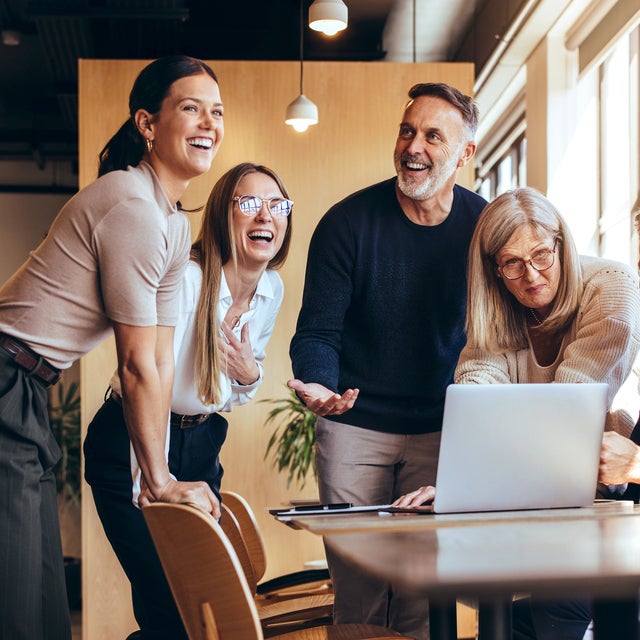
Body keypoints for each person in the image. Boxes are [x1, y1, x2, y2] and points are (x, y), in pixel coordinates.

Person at [0, 55, 223, 640]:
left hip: (28, 385)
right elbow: (132, 364)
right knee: (21, 598)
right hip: (6, 375)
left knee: (43, 594)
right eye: (190, 108)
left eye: (217, 111)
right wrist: (159, 480)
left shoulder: (173, 226)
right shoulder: (129, 204)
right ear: (147, 125)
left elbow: (159, 361)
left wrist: (161, 473)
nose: (209, 124)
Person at [393, 186, 640, 640]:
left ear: (562, 244)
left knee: (563, 619)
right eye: (512, 264)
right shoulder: (497, 309)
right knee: (511, 620)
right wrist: (459, 483)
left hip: (600, 496)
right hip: (540, 495)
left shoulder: (613, 289)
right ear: (494, 271)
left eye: (542, 255)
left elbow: (567, 410)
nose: (532, 276)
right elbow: (477, 397)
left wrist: (477, 477)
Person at [288, 82, 486, 640]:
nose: (413, 146)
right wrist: (321, 386)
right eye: (406, 130)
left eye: (432, 135)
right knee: (359, 595)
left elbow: (497, 337)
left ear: (465, 154)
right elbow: (317, 333)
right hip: (355, 428)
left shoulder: (483, 227)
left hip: (442, 430)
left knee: (424, 598)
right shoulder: (346, 223)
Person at [84, 162, 293, 640]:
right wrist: (151, 480)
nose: (266, 216)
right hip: (133, 439)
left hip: (201, 445)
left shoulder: (270, 290)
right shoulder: (189, 280)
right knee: (170, 605)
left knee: (204, 605)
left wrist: (250, 372)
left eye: (278, 205)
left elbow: (236, 390)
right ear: (223, 214)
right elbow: (148, 379)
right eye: (249, 203)